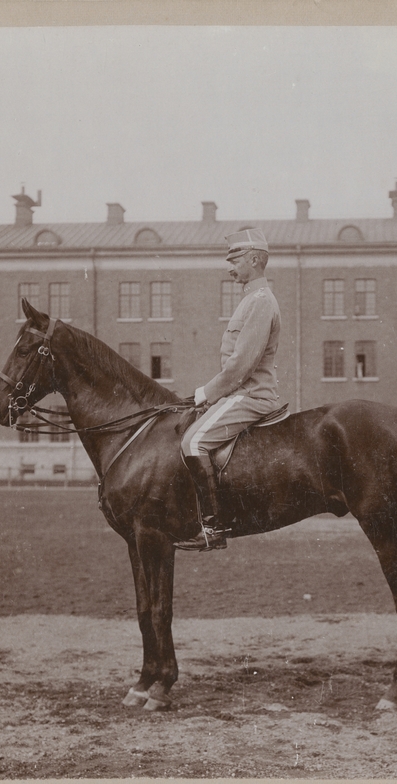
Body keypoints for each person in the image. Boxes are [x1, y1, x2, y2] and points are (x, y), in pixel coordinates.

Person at [174, 229, 282, 551]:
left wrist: (204, 394)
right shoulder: (250, 301)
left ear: (254, 259)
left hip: (252, 396)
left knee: (193, 443)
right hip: (238, 394)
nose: (229, 267)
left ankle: (212, 528)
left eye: (234, 260)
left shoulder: (261, 302)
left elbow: (240, 366)